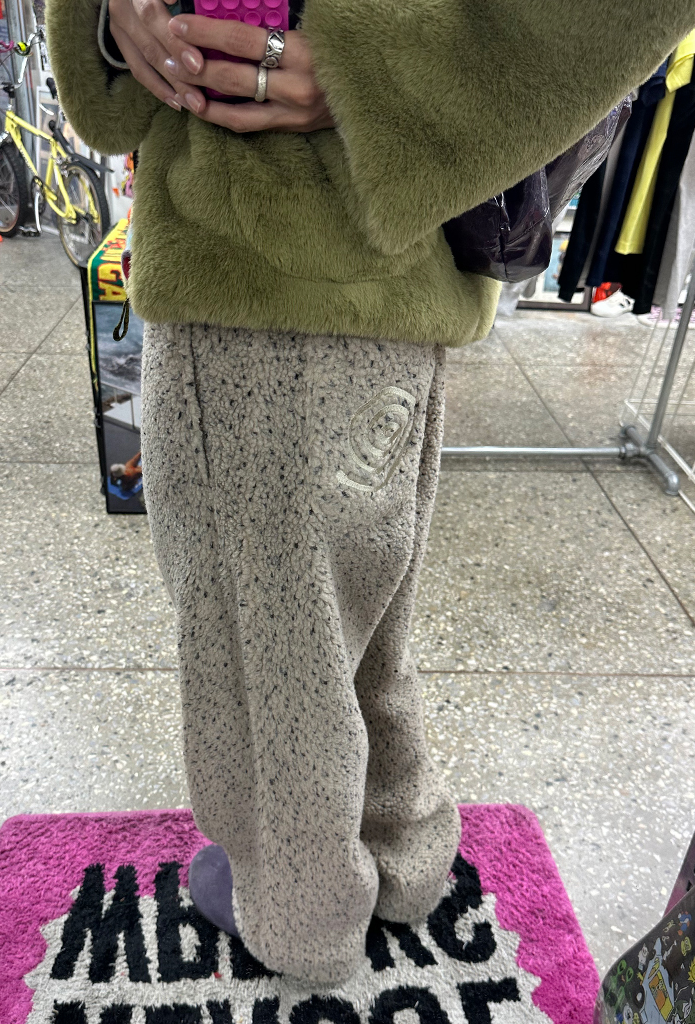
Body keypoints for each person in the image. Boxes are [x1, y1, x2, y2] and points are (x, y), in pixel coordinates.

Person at [46, 0, 695, 986]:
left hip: (257, 268)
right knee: (352, 625)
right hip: (389, 272)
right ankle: (402, 852)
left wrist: (367, 75)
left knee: (259, 650)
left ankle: (299, 909)